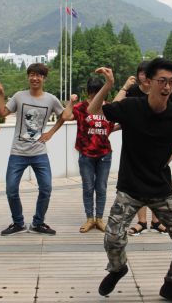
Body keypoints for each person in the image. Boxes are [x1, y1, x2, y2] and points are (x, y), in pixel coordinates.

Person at [89, 58, 172, 303]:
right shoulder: (131, 107)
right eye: (162, 81)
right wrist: (108, 84)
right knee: (113, 238)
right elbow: (93, 111)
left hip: (161, 189)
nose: (167, 86)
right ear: (149, 82)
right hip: (130, 188)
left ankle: (171, 285)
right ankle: (118, 268)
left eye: (171, 82)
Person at [115, 60, 172, 236]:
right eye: (141, 73)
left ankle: (157, 222)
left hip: (158, 151)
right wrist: (124, 88)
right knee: (137, 188)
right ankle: (142, 222)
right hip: (137, 147)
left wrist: (168, 118)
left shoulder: (165, 90)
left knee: (158, 187)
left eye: (170, 81)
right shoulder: (133, 93)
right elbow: (115, 109)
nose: (166, 86)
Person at [0, 63, 67, 236]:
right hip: (18, 152)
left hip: (40, 152)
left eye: (38, 75)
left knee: (46, 188)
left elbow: (64, 116)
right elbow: (2, 113)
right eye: (32, 74)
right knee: (11, 190)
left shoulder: (51, 99)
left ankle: (38, 223)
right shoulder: (19, 96)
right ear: (28, 77)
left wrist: (51, 133)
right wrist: (1, 93)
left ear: (44, 78)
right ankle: (18, 223)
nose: (35, 78)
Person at [62, 78, 118, 233]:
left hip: (104, 154)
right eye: (92, 93)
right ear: (88, 92)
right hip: (86, 154)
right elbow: (66, 117)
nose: (95, 96)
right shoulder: (81, 107)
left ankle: (99, 219)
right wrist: (71, 102)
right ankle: (89, 218)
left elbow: (112, 126)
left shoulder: (108, 108)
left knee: (101, 187)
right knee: (88, 187)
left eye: (98, 92)